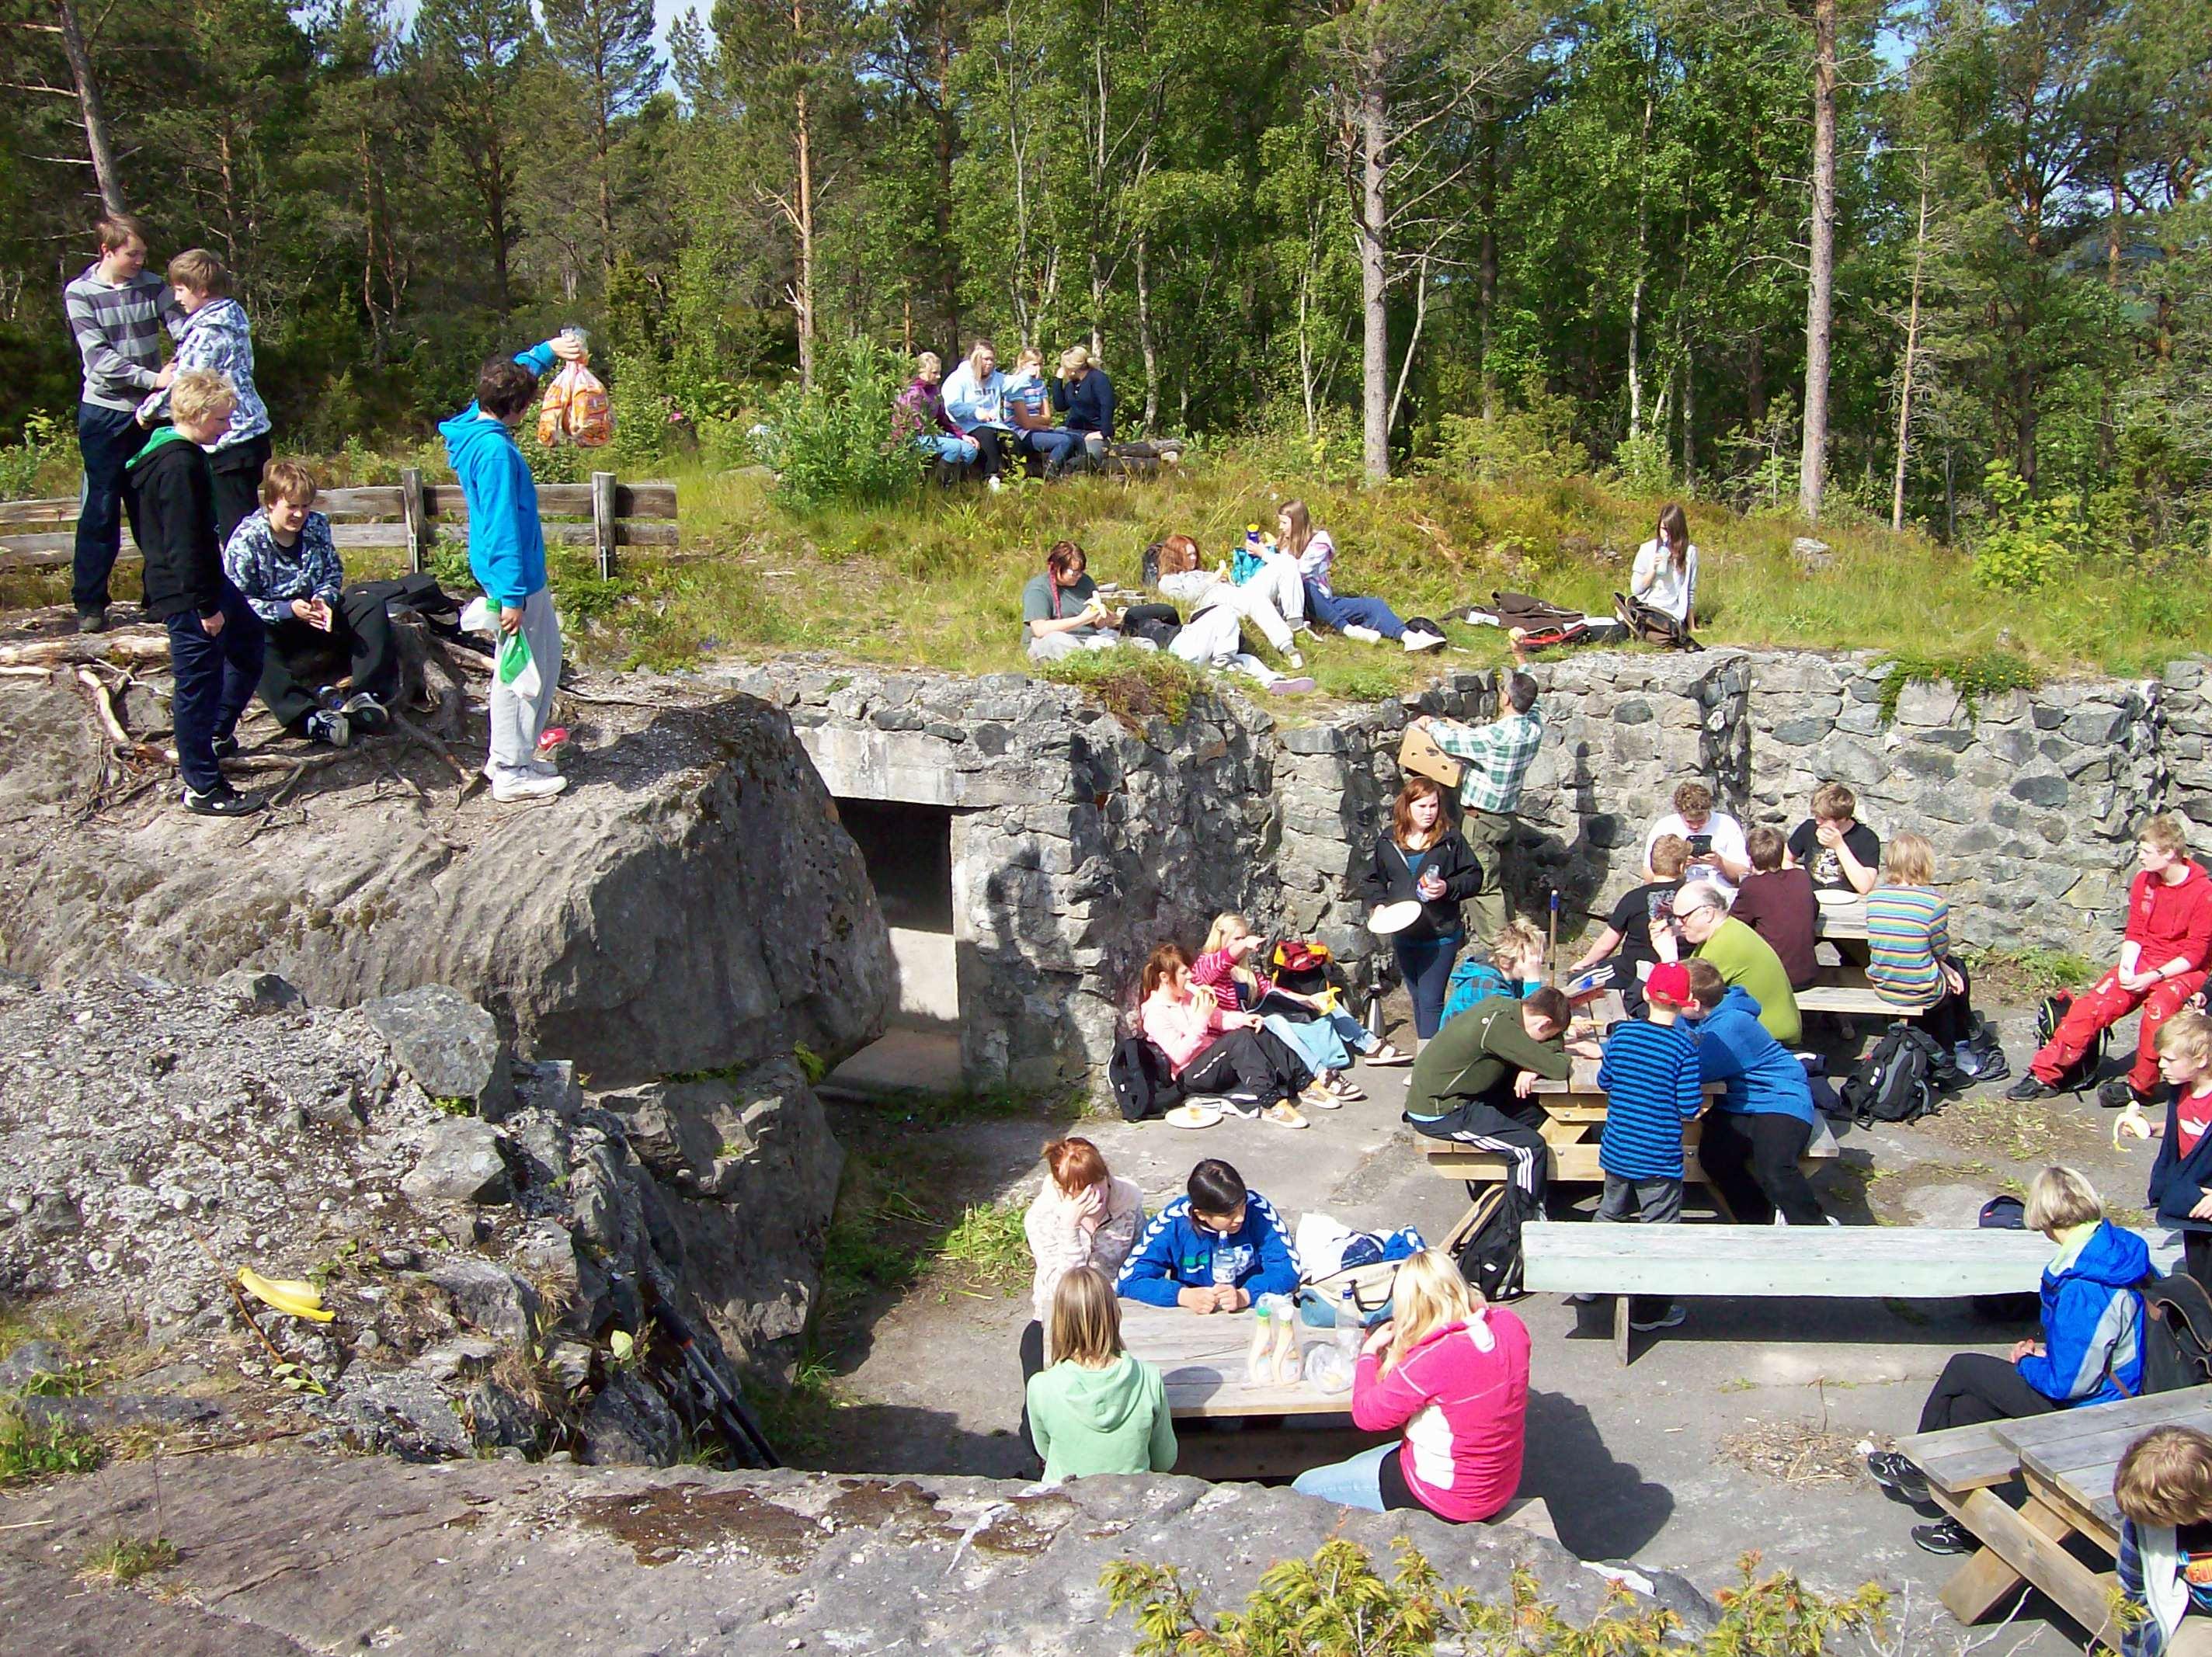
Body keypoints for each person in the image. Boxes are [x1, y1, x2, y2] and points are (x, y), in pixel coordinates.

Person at [1866, 1166, 2148, 1555]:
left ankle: (1918, 1465)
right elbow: (2099, 1346)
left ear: (2045, 1217)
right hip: (2115, 1388)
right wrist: (2046, 1352)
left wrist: (2027, 1363)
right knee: (1970, 1404)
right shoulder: (2113, 1251)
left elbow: (2069, 1384)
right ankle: (1965, 1521)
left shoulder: (2084, 1286)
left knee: (1965, 1369)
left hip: (2094, 1410)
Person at [440, 333, 589, 803]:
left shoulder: (471, 428)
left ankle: (514, 756)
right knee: (525, 673)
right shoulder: (497, 452)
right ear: (520, 408)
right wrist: (510, 596)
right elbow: (502, 524)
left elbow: (506, 380)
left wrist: (546, 353)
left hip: (515, 577)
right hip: (516, 579)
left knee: (540, 661)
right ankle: (511, 768)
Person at [1290, 1249, 1530, 1522]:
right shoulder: (1510, 1325)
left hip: (1447, 1498)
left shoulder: (1431, 1360)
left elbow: (1366, 1415)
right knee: (1353, 1465)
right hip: (1499, 1485)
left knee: (1305, 1487)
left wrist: (1369, 1353)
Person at [122, 370, 266, 818]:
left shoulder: (162, 451)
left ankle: (217, 733)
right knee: (196, 684)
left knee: (248, 643)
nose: (227, 428)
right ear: (199, 414)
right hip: (190, 590)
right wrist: (205, 605)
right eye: (222, 419)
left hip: (205, 580)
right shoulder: (178, 463)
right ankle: (203, 785)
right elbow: (184, 540)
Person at [2011, 815, 2212, 1112]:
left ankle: (2141, 1086)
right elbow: (2135, 931)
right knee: (2091, 1005)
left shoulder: (2202, 893)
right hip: (2146, 958)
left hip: (2182, 969)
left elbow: (2195, 954)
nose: (2140, 857)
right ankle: (2045, 1074)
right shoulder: (2145, 880)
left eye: (2146, 851)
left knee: (2158, 1011)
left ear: (2169, 853)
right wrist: (2128, 967)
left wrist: (2152, 977)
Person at [223, 460, 398, 751]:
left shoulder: (317, 526)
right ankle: (304, 716)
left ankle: (366, 694)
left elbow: (332, 572)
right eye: (291, 506)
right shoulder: (246, 540)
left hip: (316, 617)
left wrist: (324, 599)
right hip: (274, 624)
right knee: (247, 636)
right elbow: (237, 601)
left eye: (305, 506)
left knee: (367, 604)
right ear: (271, 503)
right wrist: (286, 610)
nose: (299, 514)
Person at [66, 213, 185, 634]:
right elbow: (98, 359)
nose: (139, 261)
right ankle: (90, 602)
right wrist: (154, 379)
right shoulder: (80, 293)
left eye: (143, 254)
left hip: (152, 414)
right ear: (108, 251)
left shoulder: (153, 286)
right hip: (105, 413)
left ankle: (160, 595)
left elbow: (182, 326)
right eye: (132, 254)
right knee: (100, 506)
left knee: (151, 505)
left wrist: (184, 362)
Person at [1594, 962, 1706, 1332]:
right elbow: (1688, 1106)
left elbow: (1605, 1079)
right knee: (1659, 1226)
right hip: (1657, 1154)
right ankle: (1650, 1310)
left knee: (1610, 1211)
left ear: (1645, 993)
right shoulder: (1684, 1048)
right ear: (1687, 1003)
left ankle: (1587, 1281)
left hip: (1618, 1146)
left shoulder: (1622, 1036)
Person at [134, 249, 270, 546]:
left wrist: (146, 413)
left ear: (203, 290)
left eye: (181, 290)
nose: (177, 297)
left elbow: (187, 386)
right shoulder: (232, 317)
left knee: (236, 534)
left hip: (230, 439)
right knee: (238, 524)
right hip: (251, 433)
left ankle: (241, 590)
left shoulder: (209, 331)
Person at [1402, 987, 1584, 1207]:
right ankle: (1520, 1218)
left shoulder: (1503, 1007)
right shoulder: (1500, 1029)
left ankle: (1513, 1186)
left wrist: (1534, 1065)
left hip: (1459, 1096)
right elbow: (1557, 1068)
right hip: (1443, 1111)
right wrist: (1540, 1062)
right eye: (1549, 1034)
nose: (1549, 1040)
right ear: (1544, 1023)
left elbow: (1552, 1047)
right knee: (1528, 1148)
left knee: (1533, 1113)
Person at [1019, 1139, 1145, 1456]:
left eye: (1098, 1183)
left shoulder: (1127, 1206)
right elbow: (1064, 1285)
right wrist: (1070, 1227)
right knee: (1042, 1388)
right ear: (1064, 1191)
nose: (1095, 1196)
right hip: (1060, 1313)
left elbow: (1143, 1261)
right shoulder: (1042, 1217)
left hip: (1115, 1312)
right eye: (1080, 1190)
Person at [1678, 960, 1824, 1225]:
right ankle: (1761, 1223)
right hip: (1737, 1102)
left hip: (1780, 1100)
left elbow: (1691, 1068)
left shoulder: (1731, 1026)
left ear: (1694, 1003)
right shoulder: (1701, 1015)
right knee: (1716, 1158)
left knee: (1776, 1169)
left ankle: (1816, 1228)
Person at [1192, 912, 1400, 1096]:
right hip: (1232, 1034)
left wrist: (1307, 1000)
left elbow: (1271, 989)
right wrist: (1244, 945)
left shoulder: (1244, 971)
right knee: (1275, 1021)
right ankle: (1321, 1073)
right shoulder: (1206, 964)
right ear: (1221, 938)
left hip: (1252, 1022)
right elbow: (1220, 963)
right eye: (1238, 938)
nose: (1244, 943)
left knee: (1325, 1001)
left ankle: (1370, 1044)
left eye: (1245, 937)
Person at [1416, 672, 1545, 947]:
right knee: (1505, 884)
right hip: (1506, 817)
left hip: (1481, 821)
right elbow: (1537, 703)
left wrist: (1430, 724)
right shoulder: (1533, 727)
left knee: (1483, 886)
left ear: (1506, 698)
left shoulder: (1495, 736)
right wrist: (1522, 658)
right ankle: (1514, 937)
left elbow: (1451, 742)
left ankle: (1503, 952)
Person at [1137, 943, 1324, 1129]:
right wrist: (1201, 1019)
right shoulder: (1155, 1014)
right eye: (1184, 973)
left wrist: (1245, 1019)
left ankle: (1304, 1080)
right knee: (1239, 1040)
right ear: (1164, 977)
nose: (1192, 976)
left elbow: (1220, 1018)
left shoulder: (1188, 996)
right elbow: (1178, 1055)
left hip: (1213, 1059)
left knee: (1254, 1030)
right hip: (1190, 1075)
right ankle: (1270, 1103)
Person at [1356, 776, 1483, 1045]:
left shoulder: (1450, 839)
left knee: (1430, 999)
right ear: (1407, 807)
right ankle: (1434, 1054)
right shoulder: (1388, 840)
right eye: (1422, 806)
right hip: (1404, 932)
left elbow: (1474, 876)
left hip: (1441, 933)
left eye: (1434, 806)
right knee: (1417, 995)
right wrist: (1379, 904)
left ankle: (1428, 1066)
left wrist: (1447, 887)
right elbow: (1372, 880)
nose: (1429, 812)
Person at [1025, 1266, 1177, 1484]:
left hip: (1066, 1497)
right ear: (1115, 1314)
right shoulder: (1149, 1378)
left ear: (1059, 1321)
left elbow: (1045, 1451)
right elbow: (1165, 1460)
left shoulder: (1041, 1386)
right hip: (1132, 1500)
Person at [1117, 1158, 1300, 1311]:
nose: (1240, 1218)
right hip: (1192, 1318)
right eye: (1228, 1215)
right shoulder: (1170, 1224)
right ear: (1201, 1214)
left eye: (1242, 1206)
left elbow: (1288, 1268)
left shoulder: (1258, 1210)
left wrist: (1246, 1295)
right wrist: (1182, 1295)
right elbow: (1130, 1279)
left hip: (1253, 1310)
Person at [1146, 537, 1314, 695]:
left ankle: (1294, 621)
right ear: (1175, 556)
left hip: (1237, 594)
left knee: (1286, 563)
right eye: (1188, 554)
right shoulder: (1170, 579)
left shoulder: (1202, 572)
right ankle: (1286, 647)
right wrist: (1214, 579)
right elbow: (1184, 598)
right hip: (1214, 601)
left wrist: (1229, 579)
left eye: (1194, 553)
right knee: (1253, 601)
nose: (1193, 558)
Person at [1865, 832, 1983, 1053]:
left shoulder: (1874, 898)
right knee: (1957, 974)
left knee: (1949, 974)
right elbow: (1940, 950)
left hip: (1884, 984)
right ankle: (1953, 1047)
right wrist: (1946, 968)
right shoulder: (1934, 902)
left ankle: (1959, 1037)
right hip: (1919, 989)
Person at [1277, 499, 1445, 652]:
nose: (1280, 527)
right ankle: (1348, 630)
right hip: (1300, 605)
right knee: (1306, 586)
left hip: (1324, 600)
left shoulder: (1319, 542)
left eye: (1284, 523)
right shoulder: (1283, 544)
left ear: (1297, 523)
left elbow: (1303, 568)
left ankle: (1409, 637)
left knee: (1374, 605)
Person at [2114, 1426, 2212, 1657]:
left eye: (2158, 1517)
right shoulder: (2145, 1525)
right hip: (2200, 1618)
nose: (2149, 1523)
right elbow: (2135, 1596)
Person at [1569, 834, 1690, 1015]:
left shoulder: (1634, 898)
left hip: (1629, 973)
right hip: (1676, 977)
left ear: (1652, 865)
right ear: (1681, 866)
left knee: (1576, 983)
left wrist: (1583, 963)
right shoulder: (1693, 897)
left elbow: (1606, 944)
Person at [1673, 884, 1803, 1047]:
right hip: (1765, 1027)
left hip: (1770, 1037)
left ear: (1708, 913)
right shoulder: (1729, 929)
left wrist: (1668, 955)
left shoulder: (1724, 944)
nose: (1677, 924)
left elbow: (1678, 995)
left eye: (1683, 917)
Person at [2147, 1013, 2212, 1294]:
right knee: (2201, 1281)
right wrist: (2151, 1129)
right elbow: (2186, 1127)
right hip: (2193, 1201)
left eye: (2170, 1060)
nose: (2162, 1066)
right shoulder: (2183, 1092)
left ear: (2201, 1059)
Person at [1730, 826, 1820, 992]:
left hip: (1776, 978)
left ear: (1750, 858)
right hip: (1807, 973)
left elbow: (1732, 925)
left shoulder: (1752, 886)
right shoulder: (1801, 877)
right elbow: (1814, 910)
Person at [1021, 540, 1129, 662]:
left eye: (1081, 572)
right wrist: (1082, 619)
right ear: (1057, 567)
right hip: (1051, 642)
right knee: (1060, 641)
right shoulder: (1038, 588)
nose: (1078, 576)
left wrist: (1104, 617)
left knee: (1145, 645)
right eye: (1074, 572)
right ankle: (1087, 661)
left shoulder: (1085, 582)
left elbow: (1097, 624)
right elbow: (1040, 630)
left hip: (1089, 639)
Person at [1643, 780, 1749, 896]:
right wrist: (1678, 866)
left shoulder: (1726, 824)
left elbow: (1744, 875)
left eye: (1701, 821)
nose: (1695, 826)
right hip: (1678, 892)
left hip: (1720, 891)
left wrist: (1719, 862)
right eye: (1689, 822)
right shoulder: (1664, 827)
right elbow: (1649, 877)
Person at [1440, 919, 1549, 1027]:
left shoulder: (1512, 981)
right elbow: (1526, 1026)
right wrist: (1532, 980)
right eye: (1531, 960)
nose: (1537, 963)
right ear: (1505, 961)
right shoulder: (1485, 986)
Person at [940, 340, 1014, 486]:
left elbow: (1015, 383)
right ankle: (990, 477)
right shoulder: (958, 379)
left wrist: (1029, 372)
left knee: (1013, 440)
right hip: (965, 426)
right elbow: (952, 406)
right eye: (986, 359)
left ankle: (1014, 476)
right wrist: (974, 411)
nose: (990, 363)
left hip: (993, 423)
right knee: (986, 437)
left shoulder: (996, 378)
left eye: (992, 359)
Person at [893, 351, 979, 477]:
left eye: (939, 372)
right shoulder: (912, 393)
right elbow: (915, 425)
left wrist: (962, 435)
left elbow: (942, 419)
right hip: (910, 438)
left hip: (930, 436)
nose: (939, 376)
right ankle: (939, 483)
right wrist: (942, 436)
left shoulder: (934, 391)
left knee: (970, 450)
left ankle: (955, 481)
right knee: (954, 447)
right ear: (921, 372)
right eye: (934, 373)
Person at [1788, 781, 1880, 897]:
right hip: (1812, 898)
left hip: (1849, 902)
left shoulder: (1866, 838)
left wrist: (1839, 846)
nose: (1818, 822)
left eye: (1824, 819)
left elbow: (1864, 887)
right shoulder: (1808, 828)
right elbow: (1786, 859)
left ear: (1842, 818)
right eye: (1816, 816)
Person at [1007, 346, 1080, 476]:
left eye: (1040, 364)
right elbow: (1023, 423)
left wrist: (1035, 421)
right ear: (1023, 365)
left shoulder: (1039, 384)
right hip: (1020, 433)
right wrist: (1037, 422)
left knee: (1076, 438)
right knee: (1064, 441)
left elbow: (1047, 417)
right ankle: (1049, 473)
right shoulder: (1015, 385)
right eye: (1034, 364)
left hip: (1037, 428)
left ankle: (1082, 471)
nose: (1038, 368)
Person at [1629, 502, 1699, 627]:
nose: (1667, 534)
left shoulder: (1689, 552)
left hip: (1673, 613)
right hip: (1647, 607)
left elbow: (1690, 591)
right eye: (1663, 529)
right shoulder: (1647, 549)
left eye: (1671, 530)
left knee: (1666, 627)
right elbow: (1636, 590)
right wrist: (1652, 570)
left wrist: (1692, 626)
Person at [1050, 345, 1115, 468]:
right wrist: (1058, 381)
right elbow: (1060, 406)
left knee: (1087, 460)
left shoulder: (1098, 379)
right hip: (1073, 431)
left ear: (1073, 368)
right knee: (1055, 435)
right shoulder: (1072, 385)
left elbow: (1107, 406)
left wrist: (1103, 433)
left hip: (1094, 431)